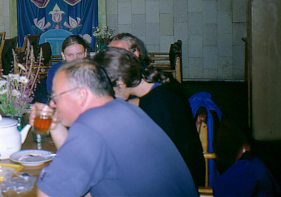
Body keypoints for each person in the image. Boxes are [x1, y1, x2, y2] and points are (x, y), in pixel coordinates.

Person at [32, 59, 197, 197]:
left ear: (81, 95)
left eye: (55, 96)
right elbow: (81, 175)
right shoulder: (124, 108)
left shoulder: (90, 127)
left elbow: (48, 194)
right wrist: (55, 125)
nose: (52, 104)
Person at [94, 47, 206, 187]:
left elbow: (157, 161)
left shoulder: (158, 104)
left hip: (179, 181)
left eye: (108, 90)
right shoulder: (161, 83)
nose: (109, 96)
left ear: (121, 83)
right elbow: (140, 103)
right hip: (183, 167)